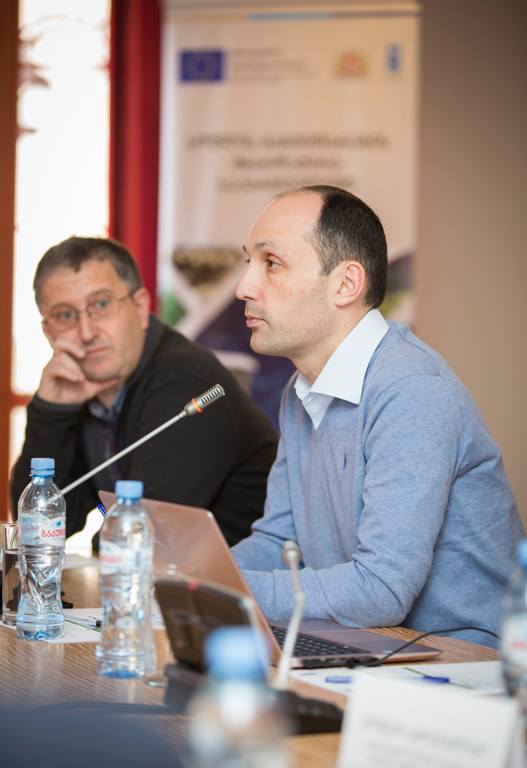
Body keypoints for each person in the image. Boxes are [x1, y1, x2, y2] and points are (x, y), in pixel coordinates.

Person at [232, 185, 523, 646]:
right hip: (369, 644)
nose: (243, 288)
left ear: (346, 284)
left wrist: (229, 592)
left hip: (460, 659)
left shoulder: (411, 389)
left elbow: (380, 590)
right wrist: (187, 580)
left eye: (271, 263)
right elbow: (279, 544)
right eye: (248, 262)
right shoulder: (299, 391)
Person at [10, 237, 277, 545]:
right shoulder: (83, 387)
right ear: (47, 331)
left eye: (101, 304)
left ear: (139, 306)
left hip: (260, 572)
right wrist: (51, 411)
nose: (86, 332)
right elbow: (39, 530)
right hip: (169, 572)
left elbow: (138, 537)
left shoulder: (186, 382)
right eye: (65, 315)